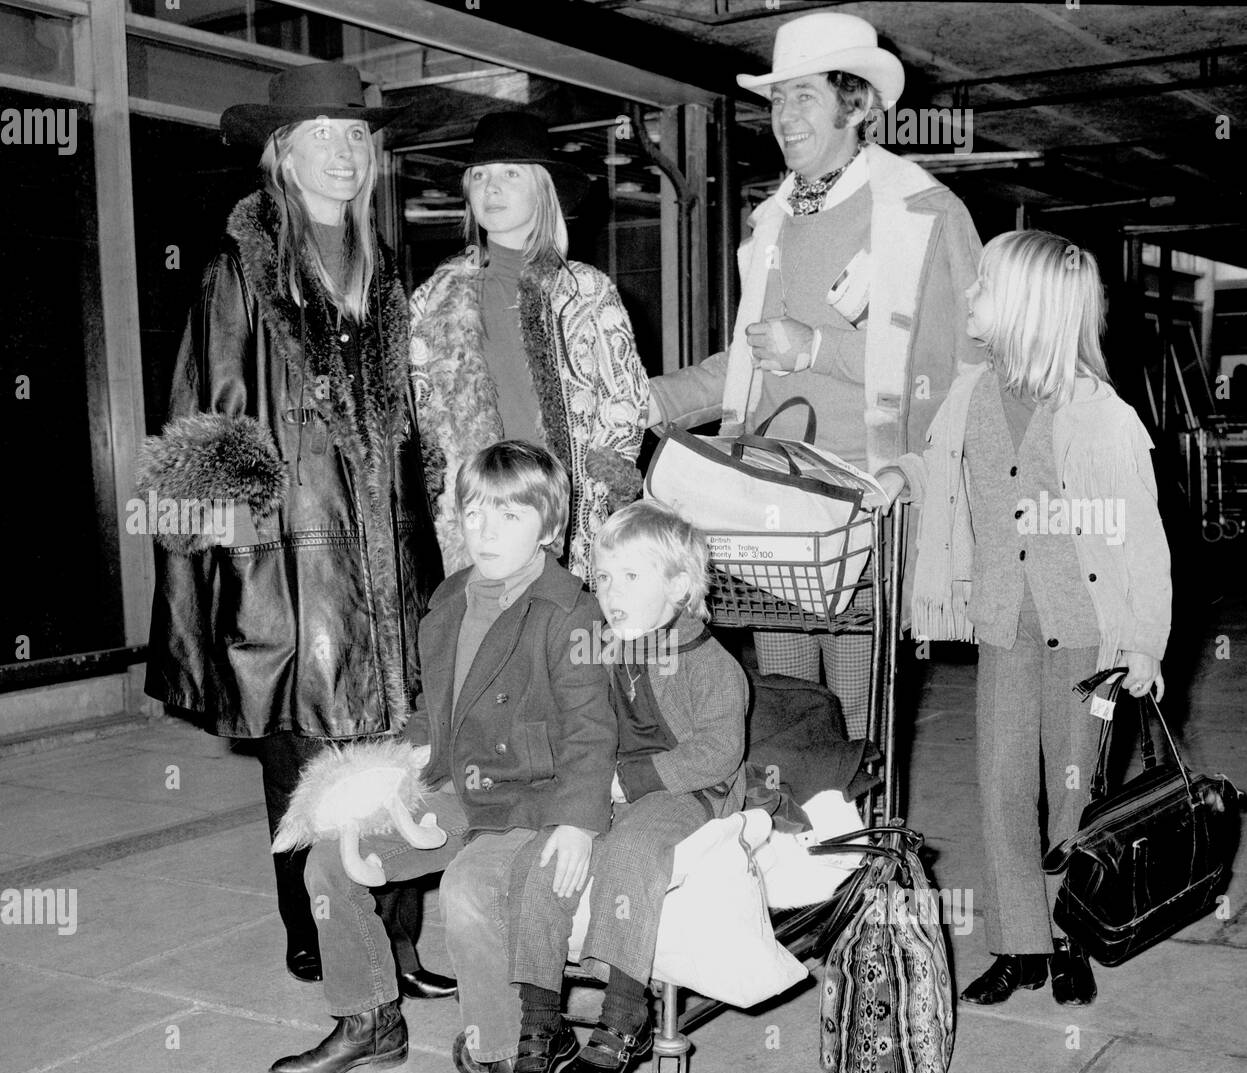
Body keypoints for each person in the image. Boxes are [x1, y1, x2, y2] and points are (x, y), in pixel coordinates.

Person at [140, 63, 452, 997]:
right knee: (304, 758)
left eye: (356, 135)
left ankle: (400, 938)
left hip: (392, 557)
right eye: (323, 135)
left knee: (400, 750)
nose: (345, 152)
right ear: (283, 153)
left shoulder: (388, 272)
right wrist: (228, 568)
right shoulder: (242, 273)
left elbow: (417, 430)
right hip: (288, 558)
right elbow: (210, 420)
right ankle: (315, 923)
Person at [647, 11, 982, 739]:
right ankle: (799, 844)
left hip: (866, 497)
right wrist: (650, 400)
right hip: (772, 495)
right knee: (786, 707)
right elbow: (747, 360)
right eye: (775, 99)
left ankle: (860, 843)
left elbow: (961, 371)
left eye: (803, 96)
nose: (783, 117)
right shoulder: (769, 222)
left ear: (854, 103)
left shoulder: (923, 213)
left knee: (860, 717)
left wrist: (816, 350)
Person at [268, 442, 617, 1073]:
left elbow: (592, 733)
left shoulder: (572, 613)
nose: (485, 532)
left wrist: (577, 822)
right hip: (457, 790)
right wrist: (411, 756)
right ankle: (369, 1019)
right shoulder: (451, 596)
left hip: (533, 802)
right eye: (474, 513)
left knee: (467, 890)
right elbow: (437, 703)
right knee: (328, 862)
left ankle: (505, 1059)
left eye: (509, 516)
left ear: (549, 529)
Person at [880, 230, 1172, 1007]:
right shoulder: (968, 393)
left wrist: (1141, 641)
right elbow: (943, 470)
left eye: (983, 286)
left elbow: (1138, 536)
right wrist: (898, 477)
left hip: (1083, 631)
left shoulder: (1098, 413)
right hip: (1001, 621)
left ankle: (1075, 935)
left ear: (1024, 307)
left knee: (1075, 792)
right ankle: (1020, 945)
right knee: (1002, 784)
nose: (969, 297)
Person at [500, 501, 749, 1073]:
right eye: (604, 577)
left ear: (680, 587)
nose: (611, 592)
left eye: (631, 577)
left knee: (632, 852)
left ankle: (624, 1013)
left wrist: (629, 783)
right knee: (541, 858)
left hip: (688, 791)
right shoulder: (601, 649)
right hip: (609, 783)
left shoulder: (712, 665)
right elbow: (576, 725)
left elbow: (717, 752)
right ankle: (541, 1019)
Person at [409, 112, 649, 584]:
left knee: (558, 646)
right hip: (475, 524)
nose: (490, 188)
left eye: (510, 174)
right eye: (479, 176)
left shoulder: (585, 292)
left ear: (542, 190)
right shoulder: (434, 299)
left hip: (563, 516)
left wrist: (598, 491)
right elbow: (419, 416)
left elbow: (626, 402)